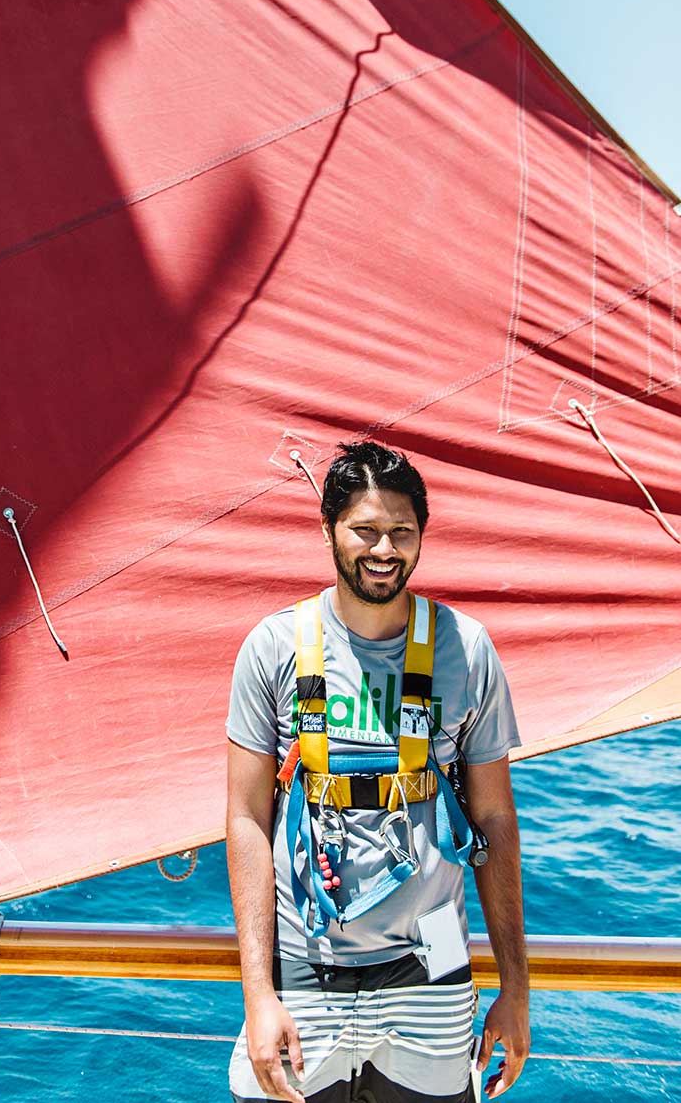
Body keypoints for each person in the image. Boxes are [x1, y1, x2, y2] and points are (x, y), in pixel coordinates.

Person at [226, 441, 530, 1103]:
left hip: (434, 967)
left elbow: (495, 819)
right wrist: (258, 995)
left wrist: (516, 989)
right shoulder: (273, 648)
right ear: (328, 529)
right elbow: (247, 819)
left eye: (402, 531)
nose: (384, 549)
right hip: (305, 968)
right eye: (365, 530)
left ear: (422, 535)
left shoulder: (466, 649)